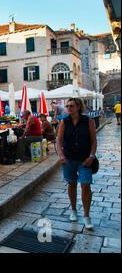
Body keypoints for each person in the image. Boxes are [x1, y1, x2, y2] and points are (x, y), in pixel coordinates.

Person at [56, 98, 97, 230]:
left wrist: (92, 156)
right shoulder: (64, 122)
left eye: (71, 106)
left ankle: (86, 216)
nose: (68, 108)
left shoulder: (88, 121)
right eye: (67, 106)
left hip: (85, 159)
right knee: (72, 184)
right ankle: (73, 210)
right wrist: (61, 155)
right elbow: (58, 141)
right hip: (68, 159)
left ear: (78, 107)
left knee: (85, 184)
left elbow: (93, 141)